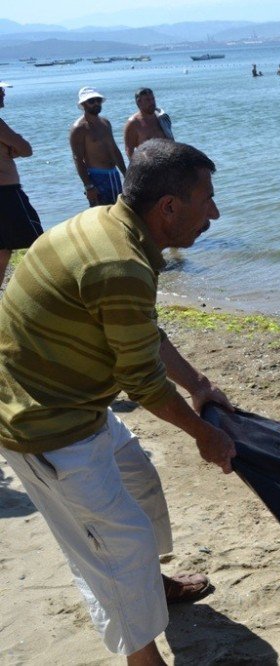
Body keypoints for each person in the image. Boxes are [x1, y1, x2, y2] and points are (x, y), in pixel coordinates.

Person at [0, 139, 237, 665]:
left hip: (75, 399)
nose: (214, 213)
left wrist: (198, 385)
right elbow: (144, 384)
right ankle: (142, 657)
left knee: (141, 484)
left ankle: (152, 584)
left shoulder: (111, 225)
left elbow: (142, 330)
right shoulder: (122, 264)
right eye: (207, 200)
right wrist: (205, 433)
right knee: (116, 546)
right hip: (43, 424)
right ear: (168, 208)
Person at [0, 81, 42, 285]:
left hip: (6, 191)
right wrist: (12, 146)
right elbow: (26, 149)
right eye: (0, 91)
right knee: (39, 242)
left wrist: (8, 149)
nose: (3, 94)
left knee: (3, 251)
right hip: (7, 192)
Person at [70, 87, 127, 207]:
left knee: (119, 212)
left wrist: (126, 175)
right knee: (101, 217)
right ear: (83, 104)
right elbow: (78, 159)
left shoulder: (105, 123)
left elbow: (115, 151)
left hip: (114, 175)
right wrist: (88, 185)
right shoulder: (79, 129)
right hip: (97, 178)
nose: (96, 103)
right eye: (91, 101)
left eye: (98, 100)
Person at [123, 87, 174, 161]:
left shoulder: (161, 118)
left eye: (153, 99)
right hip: (149, 166)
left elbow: (171, 140)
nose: (152, 102)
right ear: (139, 102)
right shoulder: (133, 123)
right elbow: (129, 151)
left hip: (169, 162)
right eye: (148, 100)